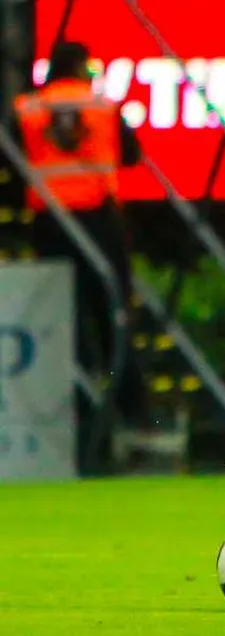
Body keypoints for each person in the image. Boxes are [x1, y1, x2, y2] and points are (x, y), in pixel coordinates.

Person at [15, 40, 147, 473]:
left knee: (61, 327)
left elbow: (12, 163)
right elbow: (132, 156)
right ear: (79, 67)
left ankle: (76, 421)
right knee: (115, 321)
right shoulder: (102, 106)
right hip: (101, 222)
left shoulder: (27, 108)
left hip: (50, 226)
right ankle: (135, 416)